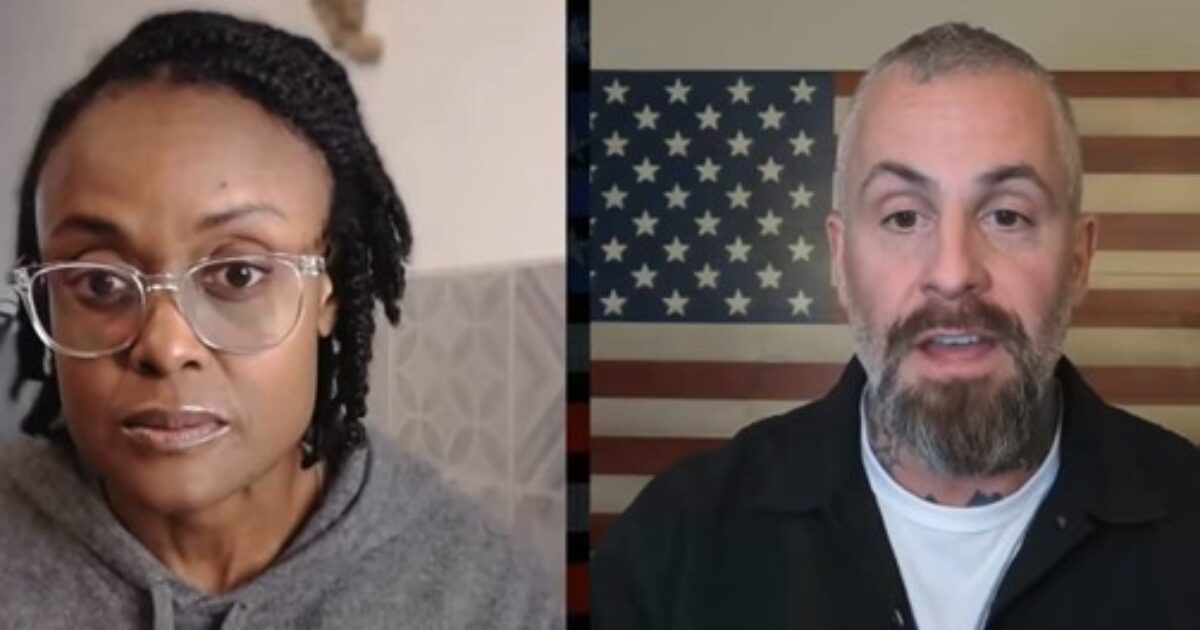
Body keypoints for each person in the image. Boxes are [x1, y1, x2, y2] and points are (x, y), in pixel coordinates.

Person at [591, 22, 1199, 630]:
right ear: (840, 259)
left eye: (1007, 216)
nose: (953, 273)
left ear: (1079, 260)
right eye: (904, 217)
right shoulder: (674, 545)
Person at [0, 11, 558, 629]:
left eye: (238, 274)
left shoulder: (484, 598)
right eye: (100, 282)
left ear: (329, 289)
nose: (165, 344)